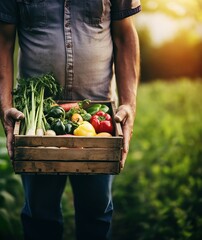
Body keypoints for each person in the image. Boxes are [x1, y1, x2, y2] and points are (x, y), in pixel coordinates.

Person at [0, 1, 141, 239]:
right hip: (38, 123)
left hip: (97, 119)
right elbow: (3, 40)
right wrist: (5, 106)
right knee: (40, 216)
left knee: (96, 214)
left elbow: (124, 35)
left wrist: (129, 104)